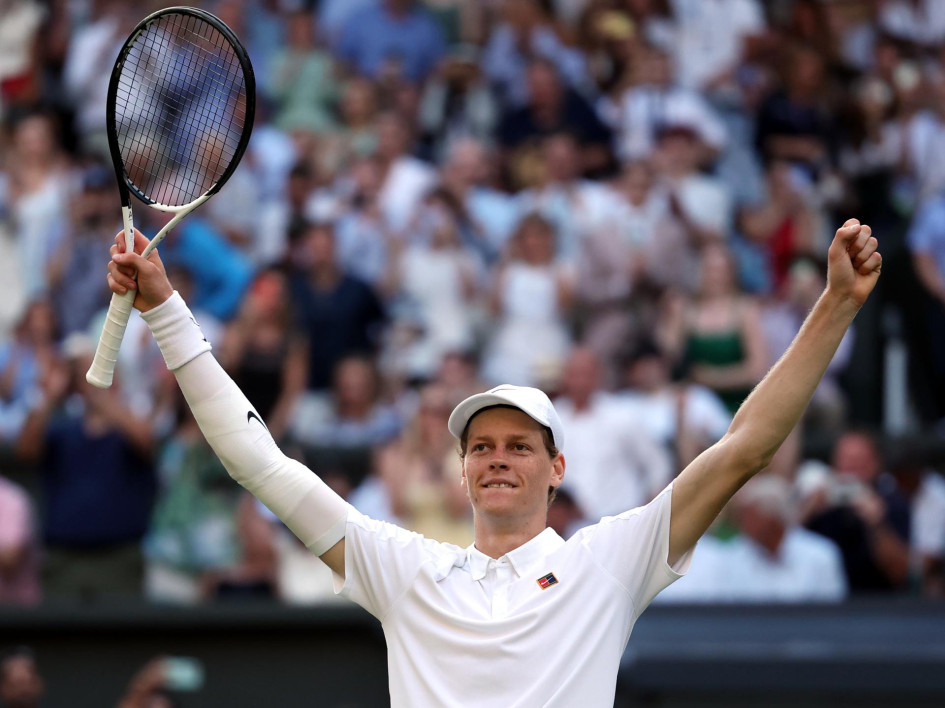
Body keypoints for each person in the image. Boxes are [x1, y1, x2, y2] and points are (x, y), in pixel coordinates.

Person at [104, 217, 881, 706]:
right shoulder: (405, 569)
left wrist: (834, 306)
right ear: (463, 471)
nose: (496, 459)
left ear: (556, 469)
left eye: (518, 446)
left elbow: (742, 448)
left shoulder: (607, 562)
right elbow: (257, 461)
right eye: (481, 447)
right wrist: (168, 312)